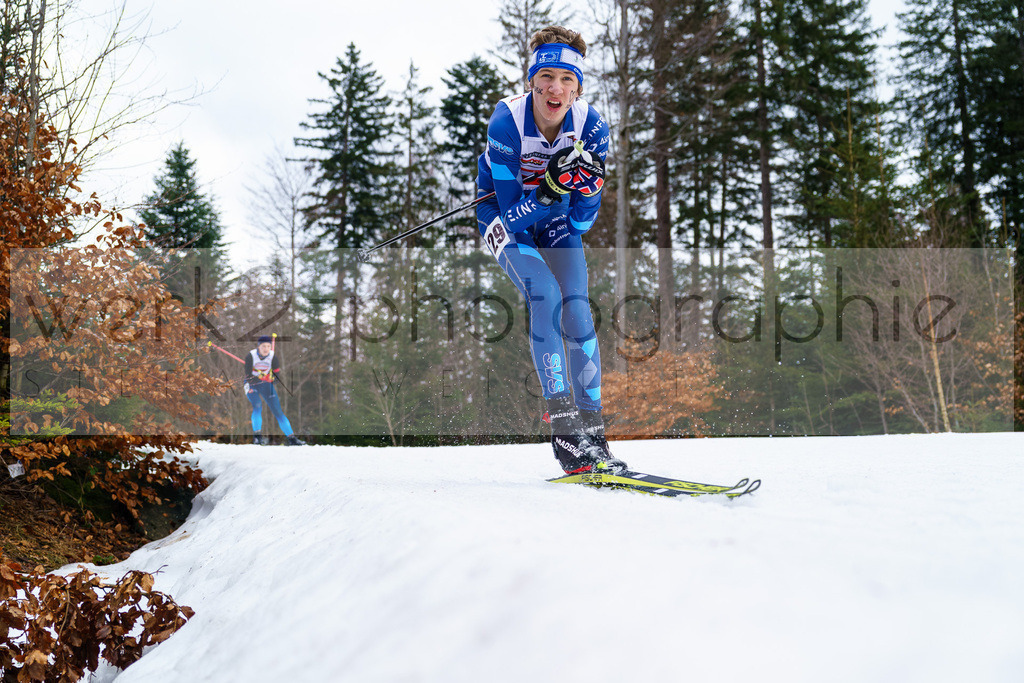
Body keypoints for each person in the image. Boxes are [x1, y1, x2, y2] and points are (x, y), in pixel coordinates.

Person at [476, 26, 626, 475]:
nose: (555, 88)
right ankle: (563, 429)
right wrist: (551, 187)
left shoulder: (593, 127)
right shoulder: (506, 123)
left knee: (578, 311)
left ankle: (592, 434)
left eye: (567, 79)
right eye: (547, 76)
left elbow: (581, 222)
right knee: (546, 294)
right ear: (531, 80)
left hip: (558, 220)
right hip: (506, 220)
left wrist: (589, 190)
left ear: (578, 87)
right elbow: (509, 214)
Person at [244, 335, 305, 445]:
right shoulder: (250, 356)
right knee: (257, 405)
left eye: (268, 346)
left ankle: (292, 439)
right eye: (263, 346)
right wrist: (261, 377)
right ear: (258, 347)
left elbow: (277, 376)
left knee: (278, 411)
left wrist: (272, 379)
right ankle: (257, 437)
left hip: (266, 385)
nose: (266, 349)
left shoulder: (273, 357)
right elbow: (248, 376)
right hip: (251, 384)